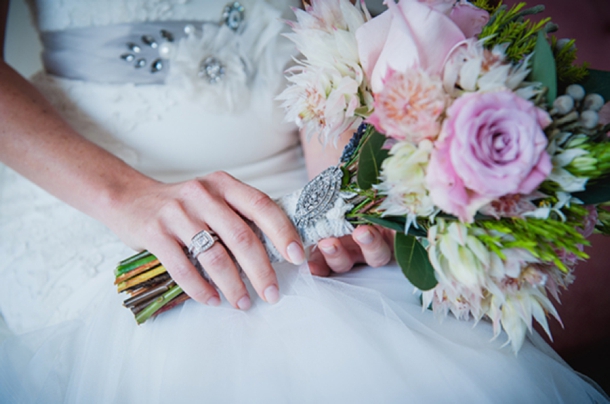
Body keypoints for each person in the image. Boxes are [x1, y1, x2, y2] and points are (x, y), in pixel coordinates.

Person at [0, 0, 607, 402]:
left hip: (286, 184)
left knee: (402, 339)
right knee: (200, 340)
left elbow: (332, 42)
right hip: (88, 186)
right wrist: (129, 198)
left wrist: (339, 195)